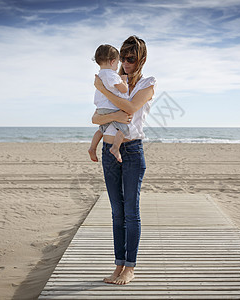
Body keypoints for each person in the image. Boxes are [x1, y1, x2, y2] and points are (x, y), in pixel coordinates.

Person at [92, 35, 156, 285]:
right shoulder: (114, 80)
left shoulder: (147, 83)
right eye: (124, 57)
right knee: (117, 213)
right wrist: (112, 108)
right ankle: (118, 265)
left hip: (131, 153)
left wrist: (102, 90)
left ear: (141, 59)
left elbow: (129, 110)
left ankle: (130, 268)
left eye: (131, 58)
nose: (126, 63)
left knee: (131, 211)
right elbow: (95, 119)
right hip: (109, 153)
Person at [88, 44, 131, 163]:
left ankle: (92, 148)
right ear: (112, 62)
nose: (118, 66)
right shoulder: (112, 75)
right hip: (111, 108)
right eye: (117, 63)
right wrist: (124, 81)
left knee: (101, 129)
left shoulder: (100, 74)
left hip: (101, 108)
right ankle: (115, 148)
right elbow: (123, 89)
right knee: (124, 129)